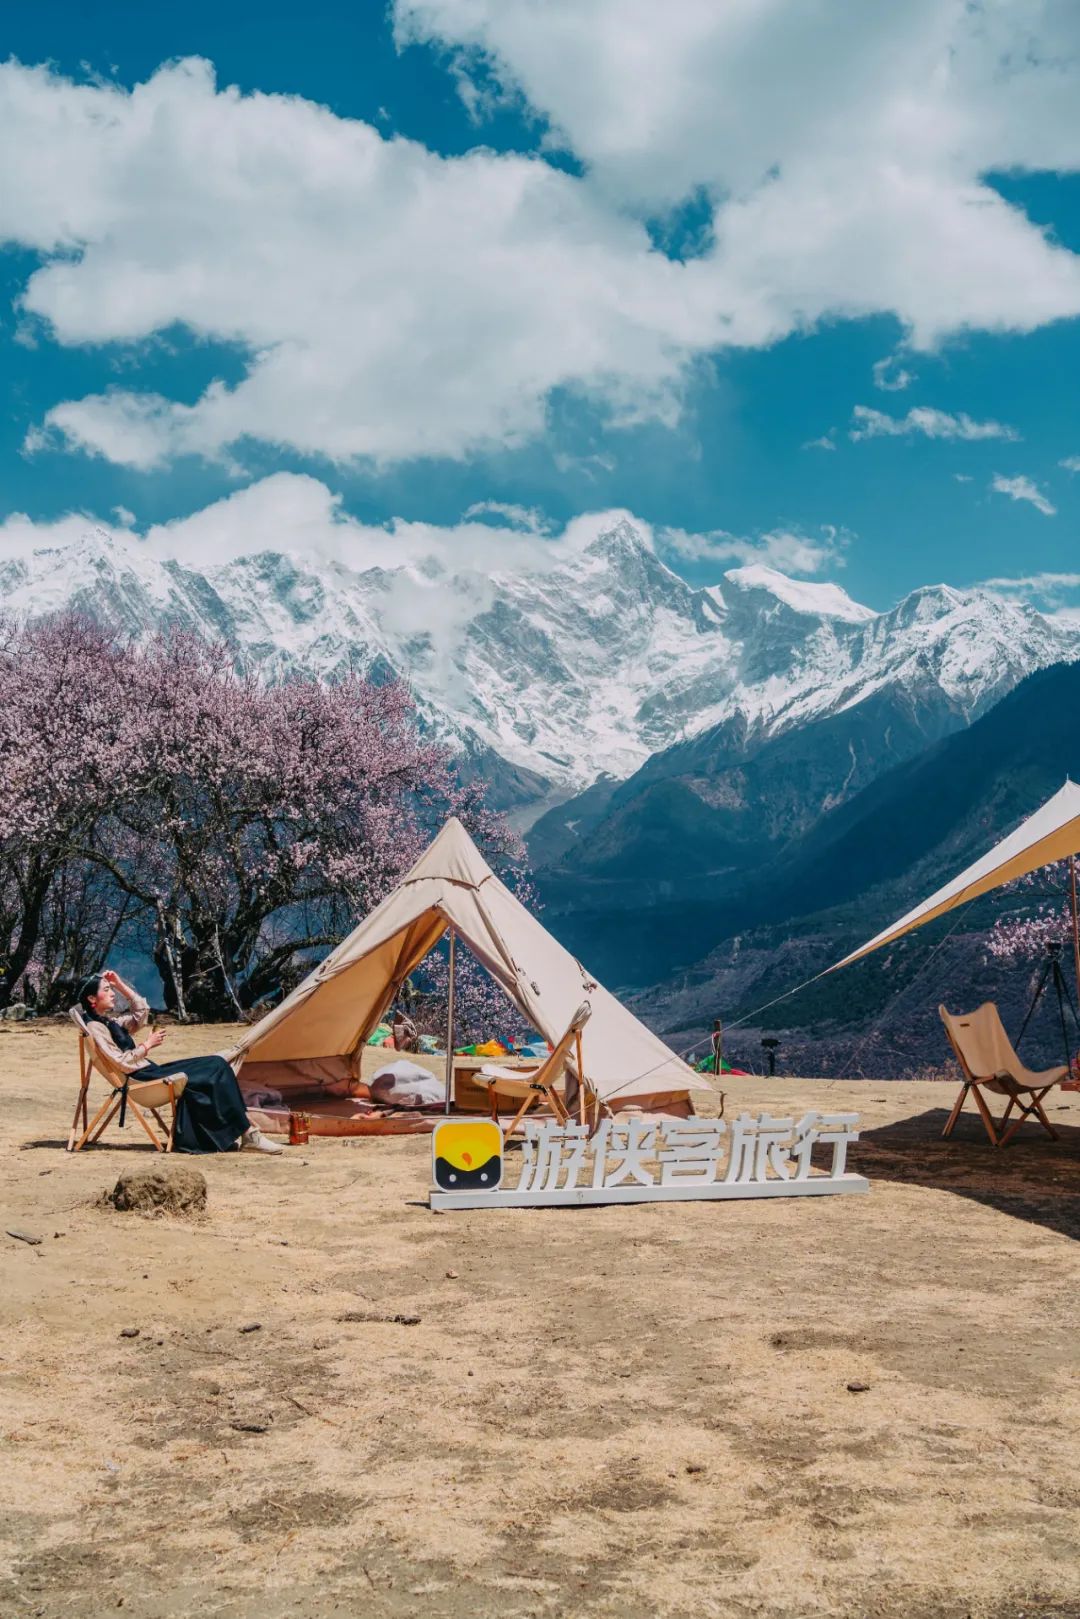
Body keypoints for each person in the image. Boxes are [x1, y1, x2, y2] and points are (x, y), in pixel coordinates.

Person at [78, 970, 282, 1155]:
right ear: (92, 998)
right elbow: (121, 1062)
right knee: (216, 1068)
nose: (113, 994)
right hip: (142, 1079)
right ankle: (249, 1134)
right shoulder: (96, 1027)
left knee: (217, 1063)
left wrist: (120, 984)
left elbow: (141, 1013)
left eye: (112, 989)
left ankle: (237, 1134)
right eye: (107, 990)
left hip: (148, 1071)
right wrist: (147, 1045)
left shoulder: (109, 1022)